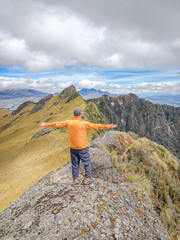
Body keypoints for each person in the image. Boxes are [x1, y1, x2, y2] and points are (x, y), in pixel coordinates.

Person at [40, 108, 117, 185]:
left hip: (73, 148)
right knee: (86, 162)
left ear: (74, 115)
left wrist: (45, 124)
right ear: (81, 115)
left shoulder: (68, 122)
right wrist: (109, 126)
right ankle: (87, 178)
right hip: (82, 148)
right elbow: (97, 126)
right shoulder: (84, 123)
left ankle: (75, 179)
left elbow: (57, 124)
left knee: (75, 164)